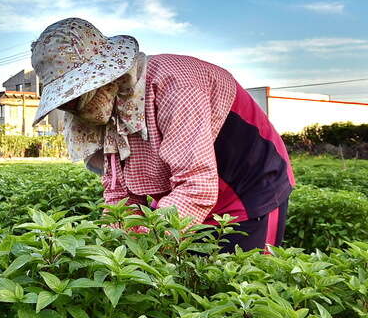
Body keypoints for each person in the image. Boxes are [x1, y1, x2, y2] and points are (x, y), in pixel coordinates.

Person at [30, 17, 294, 253]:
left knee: (242, 285)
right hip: (183, 195)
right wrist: (117, 242)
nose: (72, 109)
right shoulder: (106, 110)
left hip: (248, 187)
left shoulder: (175, 82)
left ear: (103, 79)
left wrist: (145, 244)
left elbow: (197, 185)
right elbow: (118, 192)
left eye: (75, 97)